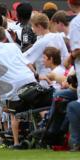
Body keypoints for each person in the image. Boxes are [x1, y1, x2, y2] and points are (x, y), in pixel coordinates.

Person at [66, 0, 80, 151]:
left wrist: (70, 57)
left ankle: (76, 142)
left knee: (74, 106)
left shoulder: (76, 22)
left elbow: (78, 49)